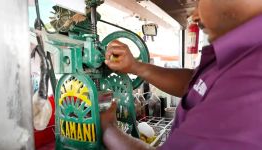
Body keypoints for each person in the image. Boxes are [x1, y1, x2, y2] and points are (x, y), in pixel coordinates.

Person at [101, 0, 262, 149]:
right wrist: (136, 67)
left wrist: (108, 128)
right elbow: (195, 85)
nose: (194, 15)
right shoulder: (240, 56)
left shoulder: (251, 79)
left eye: (200, 1)